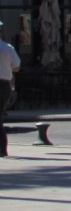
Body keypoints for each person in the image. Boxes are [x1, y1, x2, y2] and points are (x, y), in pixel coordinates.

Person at [0, 20, 22, 157]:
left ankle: (2, 149)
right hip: (4, 86)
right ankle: (2, 148)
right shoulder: (8, 48)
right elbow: (17, 67)